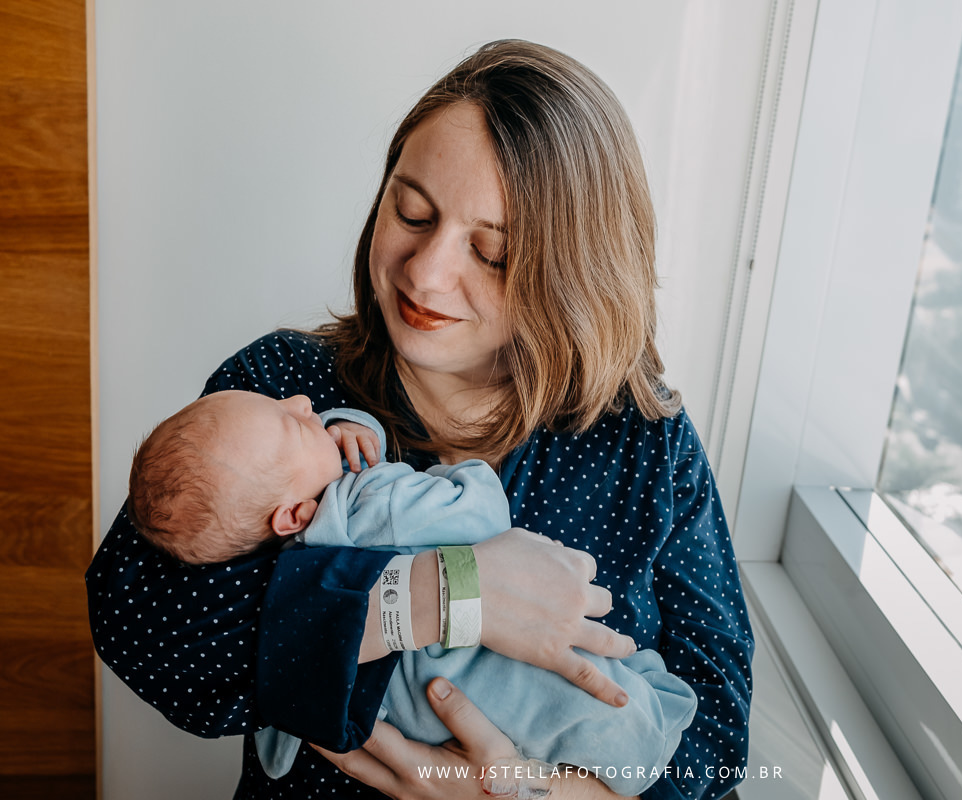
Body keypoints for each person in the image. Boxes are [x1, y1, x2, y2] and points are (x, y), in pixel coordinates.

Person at [87, 39, 753, 800]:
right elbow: (147, 625)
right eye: (412, 211)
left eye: (492, 253)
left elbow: (717, 730)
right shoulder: (281, 388)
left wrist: (526, 794)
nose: (426, 271)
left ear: (572, 273)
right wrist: (447, 592)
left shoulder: (644, 439)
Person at [125, 389, 697, 795]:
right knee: (597, 706)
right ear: (293, 513)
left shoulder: (283, 549)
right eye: (415, 215)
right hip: (509, 692)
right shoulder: (372, 501)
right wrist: (463, 481)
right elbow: (480, 509)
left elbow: (721, 712)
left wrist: (548, 794)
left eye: (490, 251)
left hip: (428, 716)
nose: (301, 403)